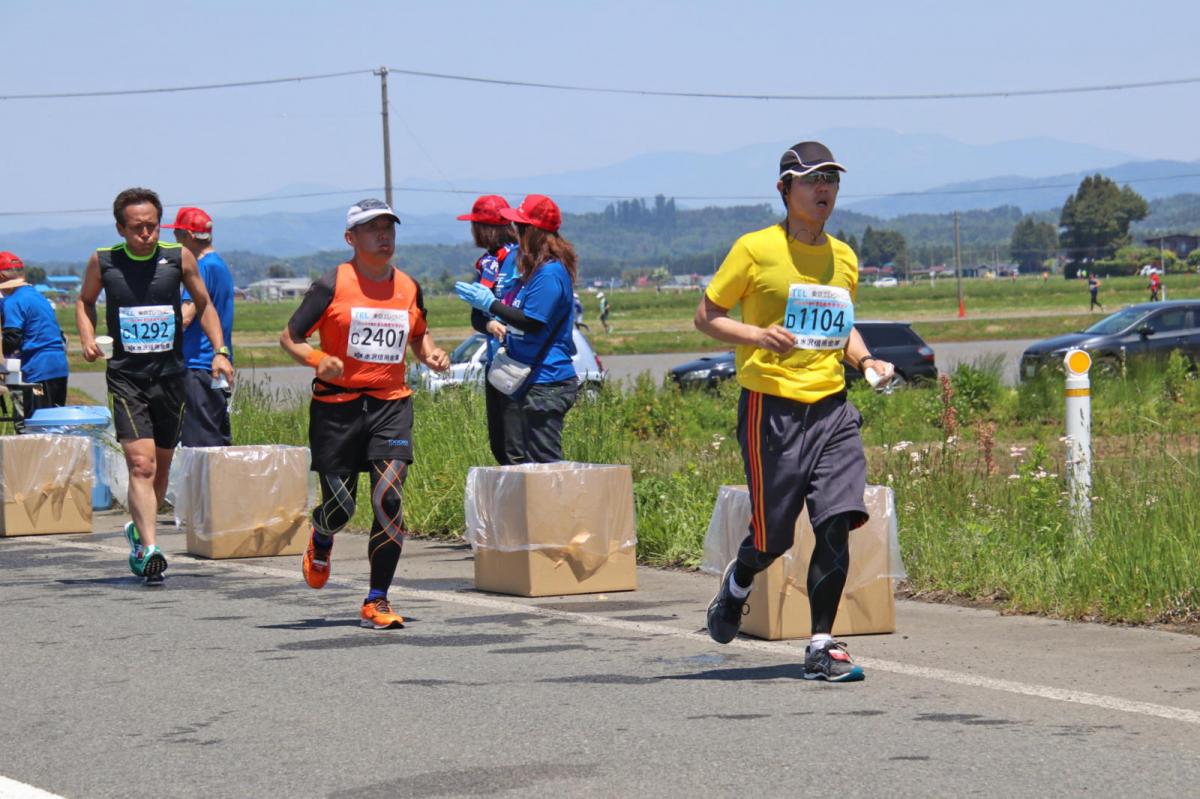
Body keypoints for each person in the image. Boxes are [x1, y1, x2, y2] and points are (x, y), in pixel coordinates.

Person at [695, 141, 895, 683]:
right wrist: (757, 334)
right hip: (771, 408)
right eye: (811, 180)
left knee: (837, 521)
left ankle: (821, 645)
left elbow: (842, 325)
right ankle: (739, 581)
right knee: (773, 537)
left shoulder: (844, 257)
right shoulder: (755, 250)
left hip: (832, 407)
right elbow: (707, 315)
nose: (823, 189)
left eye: (831, 179)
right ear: (785, 189)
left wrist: (867, 360)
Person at [280, 199, 449, 629]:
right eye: (372, 229)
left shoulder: (409, 287)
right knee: (339, 507)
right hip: (336, 408)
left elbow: (419, 336)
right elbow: (290, 337)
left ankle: (377, 599)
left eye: (389, 227)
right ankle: (321, 537)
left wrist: (429, 354)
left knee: (388, 498)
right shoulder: (332, 284)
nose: (384, 236)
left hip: (390, 404)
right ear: (351, 238)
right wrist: (317, 358)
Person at [76, 188, 233, 583]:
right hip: (127, 377)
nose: (145, 234)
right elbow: (84, 301)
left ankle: (137, 530)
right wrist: (87, 337)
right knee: (141, 463)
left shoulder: (179, 258)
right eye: (136, 228)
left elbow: (205, 303)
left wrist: (221, 350)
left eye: (151, 226)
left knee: (160, 466)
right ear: (120, 228)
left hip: (171, 376)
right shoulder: (104, 260)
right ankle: (149, 549)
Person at [455, 194, 578, 463]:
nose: (517, 233)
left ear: (534, 232)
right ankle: (526, 506)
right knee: (515, 458)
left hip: (545, 379)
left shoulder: (549, 274)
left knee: (541, 463)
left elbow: (531, 321)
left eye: (521, 227)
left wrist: (491, 303)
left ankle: (549, 507)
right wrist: (488, 317)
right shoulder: (529, 270)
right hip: (522, 375)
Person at [456, 195, 524, 465]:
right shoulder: (486, 264)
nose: (472, 231)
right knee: (500, 444)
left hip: (518, 364)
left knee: (516, 446)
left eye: (475, 225)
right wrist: (488, 323)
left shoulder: (520, 258)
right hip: (494, 363)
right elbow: (476, 316)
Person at [163, 207, 236, 447]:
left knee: (201, 442)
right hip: (213, 364)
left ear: (189, 236)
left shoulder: (202, 267)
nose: (174, 241)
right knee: (214, 432)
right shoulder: (219, 265)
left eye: (177, 235)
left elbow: (187, 315)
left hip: (198, 364)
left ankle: (207, 485)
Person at [0, 251, 70, 430]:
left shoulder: (13, 301)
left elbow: (12, 339)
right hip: (58, 367)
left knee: (32, 429)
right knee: (55, 427)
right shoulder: (35, 295)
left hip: (37, 371)